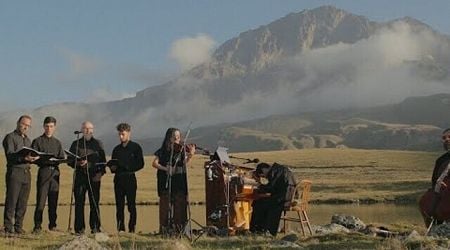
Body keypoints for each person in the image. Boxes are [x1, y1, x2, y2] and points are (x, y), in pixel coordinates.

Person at [152, 128, 195, 234]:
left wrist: (190, 155)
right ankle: (165, 229)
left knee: (179, 204)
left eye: (178, 137)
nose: (177, 139)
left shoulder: (181, 150)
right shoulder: (162, 150)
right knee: (165, 206)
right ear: (169, 138)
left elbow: (184, 162)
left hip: (179, 181)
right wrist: (166, 169)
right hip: (165, 181)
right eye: (174, 137)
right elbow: (154, 163)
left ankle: (179, 229)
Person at [2, 115, 39, 234]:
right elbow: (10, 156)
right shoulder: (10, 137)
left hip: (26, 172)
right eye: (24, 124)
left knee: (23, 202)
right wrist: (24, 158)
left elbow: (28, 156)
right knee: (12, 200)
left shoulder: (28, 140)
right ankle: (8, 228)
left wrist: (33, 158)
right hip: (15, 171)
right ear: (18, 123)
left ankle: (19, 227)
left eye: (28, 126)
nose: (25, 127)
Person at [68, 121, 106, 234]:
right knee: (79, 203)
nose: (88, 130)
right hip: (80, 177)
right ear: (81, 130)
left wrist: (99, 172)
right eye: (85, 128)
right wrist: (78, 163)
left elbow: (103, 162)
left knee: (94, 203)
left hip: (94, 177)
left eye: (90, 128)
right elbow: (69, 160)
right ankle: (79, 229)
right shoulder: (75, 143)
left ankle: (95, 228)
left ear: (93, 130)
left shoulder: (98, 144)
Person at [31, 116, 65, 233]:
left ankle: (53, 226)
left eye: (51, 126)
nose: (49, 129)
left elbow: (61, 158)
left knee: (53, 201)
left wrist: (58, 160)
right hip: (44, 172)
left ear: (54, 127)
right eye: (47, 126)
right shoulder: (37, 141)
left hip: (55, 173)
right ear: (43, 126)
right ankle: (37, 226)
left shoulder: (57, 142)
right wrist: (42, 159)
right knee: (41, 200)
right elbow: (33, 158)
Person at [110, 123, 144, 233]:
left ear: (129, 133)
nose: (121, 137)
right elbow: (113, 165)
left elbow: (141, 164)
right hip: (118, 179)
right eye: (119, 134)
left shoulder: (136, 147)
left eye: (123, 134)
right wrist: (112, 167)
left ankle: (132, 229)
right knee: (119, 206)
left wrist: (128, 167)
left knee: (131, 205)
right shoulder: (116, 149)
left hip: (130, 178)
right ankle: (120, 229)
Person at [249, 162, 296, 236]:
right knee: (262, 201)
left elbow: (270, 188)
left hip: (282, 199)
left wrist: (259, 184)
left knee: (258, 203)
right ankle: (261, 229)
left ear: (263, 170)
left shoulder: (275, 172)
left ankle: (259, 229)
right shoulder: (280, 169)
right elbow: (274, 187)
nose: (265, 177)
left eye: (263, 175)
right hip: (288, 196)